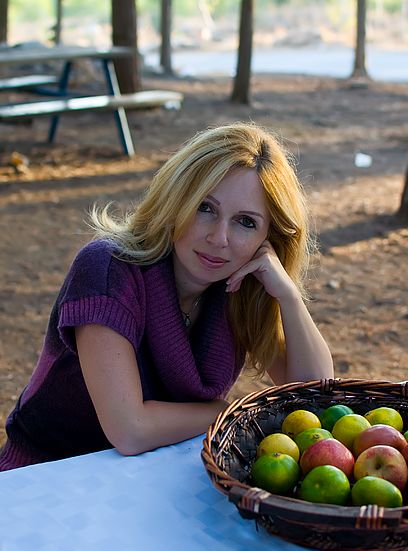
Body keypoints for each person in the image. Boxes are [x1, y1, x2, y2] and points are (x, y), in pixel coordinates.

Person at [0, 122, 334, 472]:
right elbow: (130, 429)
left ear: (269, 237)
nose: (219, 238)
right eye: (205, 207)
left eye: (246, 222)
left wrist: (287, 295)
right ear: (177, 200)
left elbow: (316, 394)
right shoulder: (107, 268)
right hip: (47, 476)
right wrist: (222, 412)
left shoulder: (241, 286)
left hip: (156, 477)